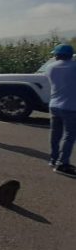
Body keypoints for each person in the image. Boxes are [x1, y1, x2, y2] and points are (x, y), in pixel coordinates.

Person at [45, 44, 76, 176]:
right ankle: (62, 163)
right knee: (69, 135)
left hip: (54, 104)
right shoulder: (74, 66)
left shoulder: (50, 67)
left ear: (57, 55)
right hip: (71, 105)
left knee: (55, 134)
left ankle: (53, 159)